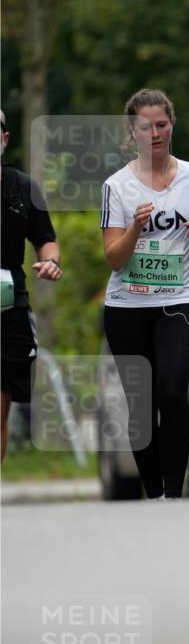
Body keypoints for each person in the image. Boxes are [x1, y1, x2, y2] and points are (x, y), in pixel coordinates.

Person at [100, 88, 189, 499]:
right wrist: (135, 228)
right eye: (145, 127)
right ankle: (152, 493)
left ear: (172, 125)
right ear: (131, 132)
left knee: (171, 391)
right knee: (141, 404)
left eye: (161, 125)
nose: (154, 133)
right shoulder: (117, 187)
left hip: (181, 299)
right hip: (128, 305)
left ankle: (173, 492)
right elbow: (114, 260)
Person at [1, 108, 63, 462]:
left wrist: (51, 262)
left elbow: (46, 239)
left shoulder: (24, 187)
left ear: (5, 139)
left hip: (8, 310)